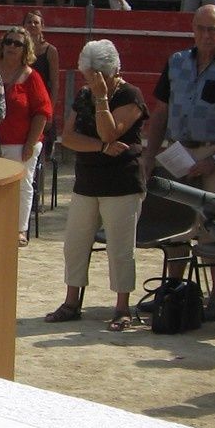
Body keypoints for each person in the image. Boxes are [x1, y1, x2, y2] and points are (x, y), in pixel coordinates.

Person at [141, 5, 215, 321]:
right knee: (176, 222)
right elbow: (161, 111)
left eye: (213, 29)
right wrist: (150, 154)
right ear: (193, 28)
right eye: (202, 28)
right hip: (178, 150)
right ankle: (175, 290)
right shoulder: (176, 63)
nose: (207, 35)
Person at [47, 39, 146, 331]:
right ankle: (71, 301)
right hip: (88, 178)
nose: (90, 81)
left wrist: (102, 100)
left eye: (94, 75)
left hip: (122, 181)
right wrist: (101, 147)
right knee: (75, 244)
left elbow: (110, 130)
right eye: (88, 75)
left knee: (120, 247)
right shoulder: (84, 93)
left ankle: (122, 307)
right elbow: (70, 138)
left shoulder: (130, 95)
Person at [0, 25, 51, 246]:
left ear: (26, 49)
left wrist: (30, 143)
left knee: (22, 184)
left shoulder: (32, 77)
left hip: (22, 143)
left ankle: (19, 229)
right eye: (9, 42)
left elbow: (42, 112)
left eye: (18, 43)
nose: (12, 47)